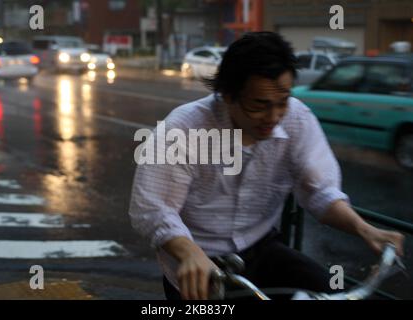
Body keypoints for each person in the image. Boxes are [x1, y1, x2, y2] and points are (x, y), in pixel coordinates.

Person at [128, 32, 404, 300]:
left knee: (325, 291)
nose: (273, 117)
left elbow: (320, 191)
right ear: (227, 94)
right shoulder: (183, 128)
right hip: (195, 262)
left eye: (281, 101)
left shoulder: (297, 118)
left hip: (262, 248)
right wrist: (189, 252)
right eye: (258, 105)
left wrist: (364, 229)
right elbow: (153, 208)